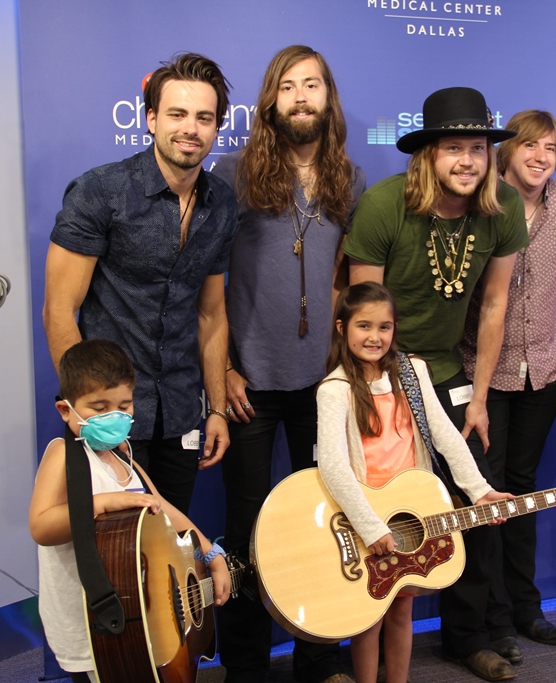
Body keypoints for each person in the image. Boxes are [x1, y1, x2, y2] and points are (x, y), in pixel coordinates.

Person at [346, 87, 527, 682]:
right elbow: (359, 309)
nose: (468, 161)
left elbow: (496, 304)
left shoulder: (502, 208)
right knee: (383, 508)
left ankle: (468, 638)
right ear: (428, 155)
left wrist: (478, 396)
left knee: (472, 506)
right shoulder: (382, 205)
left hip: (448, 373)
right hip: (384, 372)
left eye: (478, 148)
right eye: (454, 148)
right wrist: (372, 390)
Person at [211, 45, 364, 683]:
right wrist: (221, 371)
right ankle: (244, 666)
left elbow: (343, 278)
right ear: (271, 101)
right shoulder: (232, 173)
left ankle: (319, 660)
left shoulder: (348, 181)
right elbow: (208, 284)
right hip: (248, 381)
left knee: (325, 523)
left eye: (313, 85)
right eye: (288, 86)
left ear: (328, 99)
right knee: (248, 530)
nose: (301, 96)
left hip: (322, 383)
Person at [43, 53, 237, 516]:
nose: (190, 128)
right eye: (177, 114)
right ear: (151, 119)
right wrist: (89, 416)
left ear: (216, 128)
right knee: (117, 560)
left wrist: (216, 409)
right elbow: (59, 310)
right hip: (111, 417)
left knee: (173, 552)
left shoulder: (222, 204)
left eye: (204, 118)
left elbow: (211, 315)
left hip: (182, 414)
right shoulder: (101, 192)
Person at [317, 282, 514, 683]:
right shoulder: (334, 389)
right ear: (342, 328)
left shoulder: (412, 371)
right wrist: (370, 528)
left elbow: (444, 435)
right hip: (366, 520)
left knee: (402, 610)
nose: (375, 337)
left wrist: (479, 490)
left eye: (385, 327)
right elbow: (334, 468)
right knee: (370, 618)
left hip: (411, 514)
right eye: (364, 326)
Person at [29, 339, 231, 682]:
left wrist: (211, 553)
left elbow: (164, 510)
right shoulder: (63, 455)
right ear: (66, 410)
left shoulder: (125, 457)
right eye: (98, 408)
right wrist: (105, 503)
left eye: (124, 405)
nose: (114, 416)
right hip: (91, 626)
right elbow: (41, 526)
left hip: (141, 620)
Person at [460, 110, 556, 654]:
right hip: (483, 375)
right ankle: (491, 623)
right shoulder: (480, 201)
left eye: (551, 149)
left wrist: (553, 342)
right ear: (507, 151)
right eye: (530, 146)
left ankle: (526, 610)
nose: (540, 157)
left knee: (525, 494)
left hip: (543, 375)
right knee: (487, 500)